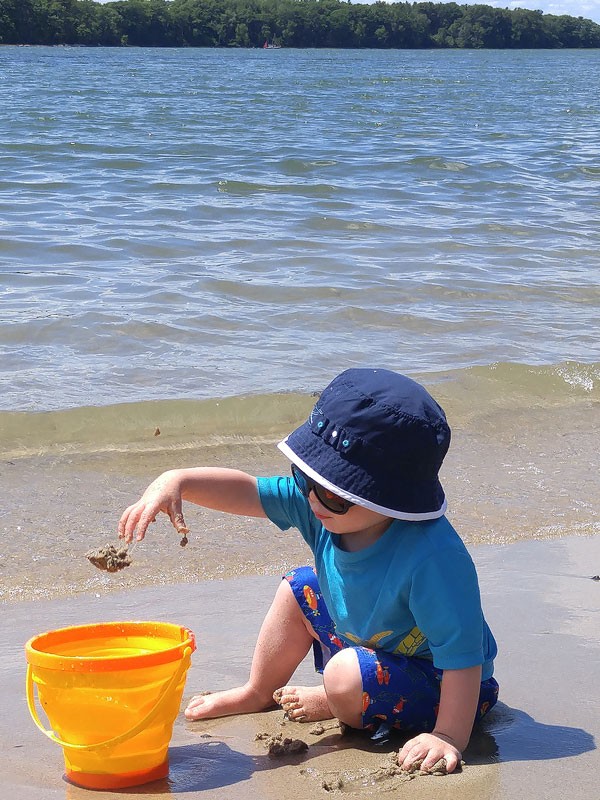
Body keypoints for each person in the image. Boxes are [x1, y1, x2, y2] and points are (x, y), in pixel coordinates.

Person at [118, 368, 498, 774]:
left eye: (335, 494)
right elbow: (250, 490)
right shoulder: (320, 507)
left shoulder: (433, 557)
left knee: (344, 678)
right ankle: (258, 690)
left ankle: (336, 698)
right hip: (368, 646)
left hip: (447, 685)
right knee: (300, 586)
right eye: (305, 476)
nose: (313, 499)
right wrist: (178, 480)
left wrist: (449, 736)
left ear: (392, 500)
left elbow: (461, 654)